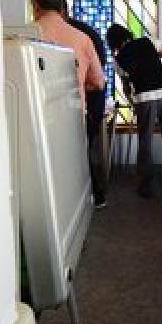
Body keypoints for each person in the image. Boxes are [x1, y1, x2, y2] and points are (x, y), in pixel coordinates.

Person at [105, 23, 162, 198]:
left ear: (113, 43)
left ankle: (146, 186)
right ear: (127, 34)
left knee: (145, 141)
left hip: (144, 99)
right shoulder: (148, 41)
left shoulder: (118, 60)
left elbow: (126, 87)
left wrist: (132, 103)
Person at [29, 0, 106, 117]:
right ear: (61, 8)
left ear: (36, 6)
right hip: (73, 115)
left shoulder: (23, 36)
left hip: (37, 114)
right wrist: (78, 84)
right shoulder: (83, 38)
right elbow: (98, 83)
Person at [66, 14, 111, 209]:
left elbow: (96, 80)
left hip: (88, 101)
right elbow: (99, 77)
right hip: (94, 101)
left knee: (82, 150)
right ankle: (94, 194)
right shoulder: (85, 34)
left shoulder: (76, 35)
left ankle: (94, 194)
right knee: (86, 148)